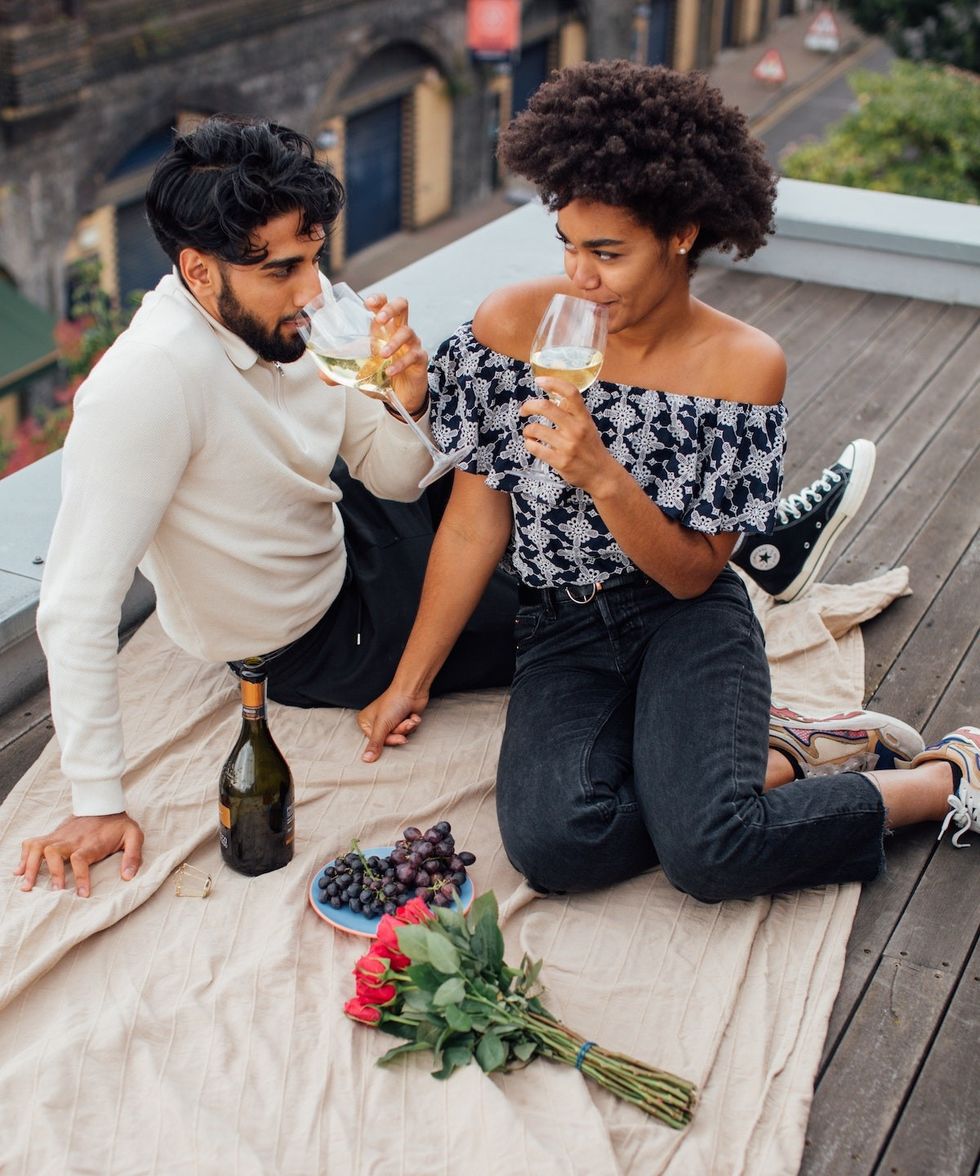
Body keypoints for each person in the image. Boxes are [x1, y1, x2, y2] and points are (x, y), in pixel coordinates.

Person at [358, 61, 980, 901]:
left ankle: (938, 778)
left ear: (681, 232)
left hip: (685, 618)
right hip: (560, 627)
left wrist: (601, 473)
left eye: (607, 253)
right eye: (568, 246)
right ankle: (767, 760)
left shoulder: (744, 367)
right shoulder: (513, 324)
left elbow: (693, 572)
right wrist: (410, 681)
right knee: (555, 848)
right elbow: (474, 521)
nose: (579, 277)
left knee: (709, 854)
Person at [15, 116, 518, 898]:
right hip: (315, 637)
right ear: (200, 271)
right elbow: (75, 604)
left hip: (343, 525)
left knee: (507, 448)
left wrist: (406, 401)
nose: (313, 292)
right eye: (283, 270)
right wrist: (95, 801)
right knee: (543, 612)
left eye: (316, 260)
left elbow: (391, 475)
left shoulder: (307, 322)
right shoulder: (147, 383)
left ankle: (660, 516)